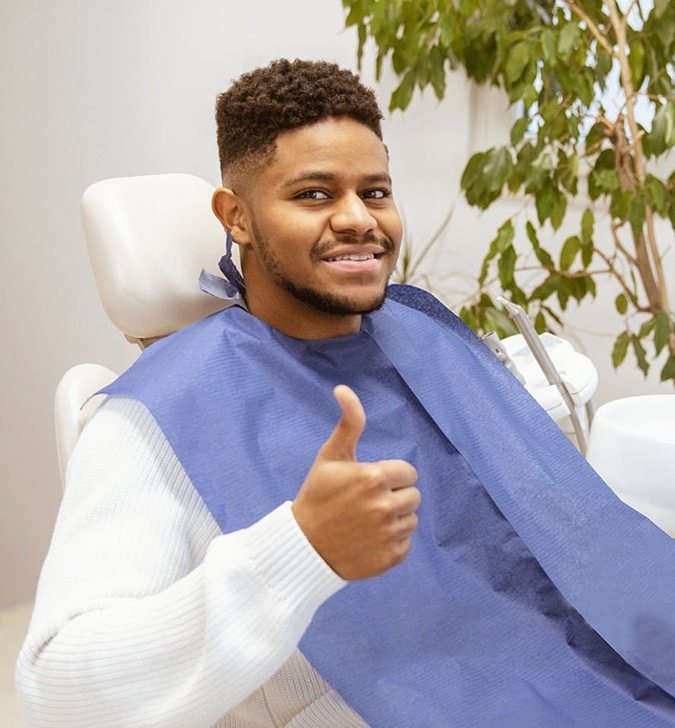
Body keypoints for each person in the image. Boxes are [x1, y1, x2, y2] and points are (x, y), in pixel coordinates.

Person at [15, 58, 675, 728]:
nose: (359, 219)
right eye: (314, 194)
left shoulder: (419, 331)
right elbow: (55, 690)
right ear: (236, 217)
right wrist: (301, 547)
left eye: (376, 192)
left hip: (584, 661)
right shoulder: (158, 417)